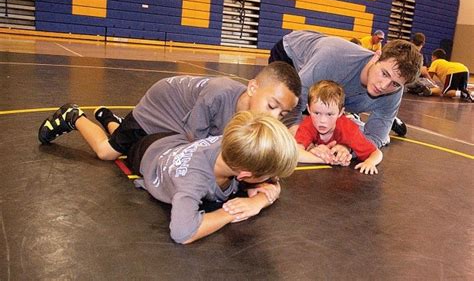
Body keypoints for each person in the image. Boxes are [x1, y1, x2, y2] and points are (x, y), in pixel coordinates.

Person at [38, 61, 302, 159]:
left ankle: (109, 118)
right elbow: (195, 147)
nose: (274, 117)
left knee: (133, 146)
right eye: (272, 106)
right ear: (253, 87)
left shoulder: (249, 112)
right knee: (108, 152)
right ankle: (73, 115)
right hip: (157, 111)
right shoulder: (219, 95)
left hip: (177, 116)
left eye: (281, 114)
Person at [129, 111, 298, 244]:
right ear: (245, 175)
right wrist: (231, 213)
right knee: (110, 147)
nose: (274, 178)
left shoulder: (238, 144)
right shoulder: (192, 181)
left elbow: (273, 185)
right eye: (269, 175)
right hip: (147, 152)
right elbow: (183, 233)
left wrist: (257, 202)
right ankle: (108, 122)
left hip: (176, 140)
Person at [268, 30, 422, 147]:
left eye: (395, 84)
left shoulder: (393, 93)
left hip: (332, 87)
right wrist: (297, 135)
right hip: (291, 55)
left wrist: (348, 149)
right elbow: (293, 100)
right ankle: (355, 118)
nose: (383, 86)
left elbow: (374, 138)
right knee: (277, 110)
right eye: (384, 73)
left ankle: (373, 117)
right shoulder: (333, 58)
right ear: (376, 56)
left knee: (322, 117)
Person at [296, 80, 383, 175]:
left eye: (329, 114)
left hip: (355, 127)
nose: (322, 120)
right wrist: (327, 160)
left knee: (361, 132)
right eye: (316, 113)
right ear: (308, 109)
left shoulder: (348, 129)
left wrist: (370, 162)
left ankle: (356, 119)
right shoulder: (308, 124)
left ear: (340, 113)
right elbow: (294, 153)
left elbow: (376, 153)